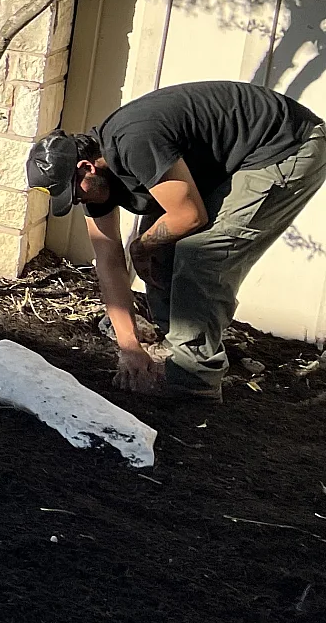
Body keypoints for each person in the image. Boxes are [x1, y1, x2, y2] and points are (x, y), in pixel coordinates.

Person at [26, 80, 326, 400]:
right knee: (161, 249)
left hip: (285, 144)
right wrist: (129, 347)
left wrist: (141, 246)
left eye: (73, 193)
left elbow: (189, 217)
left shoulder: (135, 144)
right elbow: (109, 261)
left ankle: (193, 377)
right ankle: (179, 347)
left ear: (86, 168)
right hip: (233, 157)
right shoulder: (95, 180)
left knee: (201, 253)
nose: (76, 202)